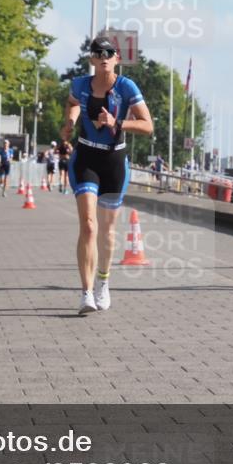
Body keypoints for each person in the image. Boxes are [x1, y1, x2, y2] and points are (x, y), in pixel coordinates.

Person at [61, 35, 154, 314]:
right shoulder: (79, 84)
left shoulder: (126, 87)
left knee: (108, 232)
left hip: (114, 161)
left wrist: (118, 122)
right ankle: (86, 293)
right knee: (89, 226)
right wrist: (69, 123)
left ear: (117, 58)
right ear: (91, 58)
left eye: (109, 52)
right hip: (86, 157)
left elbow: (148, 125)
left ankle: (103, 281)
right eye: (98, 52)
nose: (103, 56)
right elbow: (72, 103)